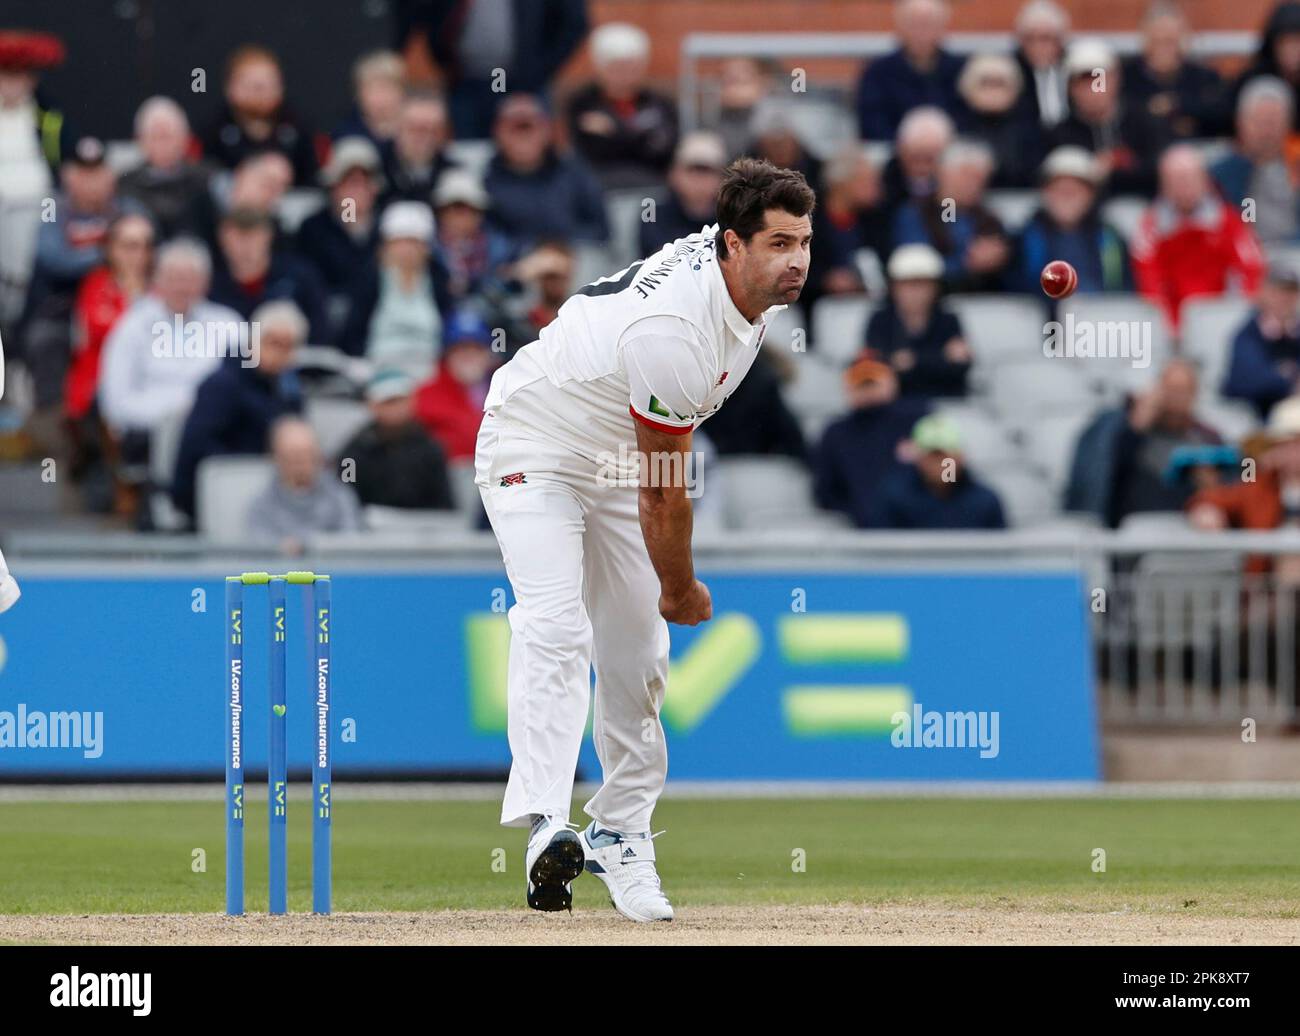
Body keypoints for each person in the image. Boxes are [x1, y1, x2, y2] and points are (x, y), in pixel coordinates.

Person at [474, 157, 814, 921]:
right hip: (534, 441)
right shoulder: (675, 333)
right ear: (732, 244)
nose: (796, 261)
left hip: (611, 451)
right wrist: (680, 588)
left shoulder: (744, 289)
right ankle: (545, 827)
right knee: (555, 624)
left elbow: (649, 471)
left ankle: (623, 832)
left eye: (804, 242)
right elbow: (664, 491)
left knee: (637, 652)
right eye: (778, 244)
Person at [98, 239, 241, 487]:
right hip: (150, 431)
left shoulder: (230, 324)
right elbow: (115, 400)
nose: (182, 287)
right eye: (174, 277)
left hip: (216, 429)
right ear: (157, 280)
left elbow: (247, 386)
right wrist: (174, 412)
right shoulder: (132, 326)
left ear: (205, 283)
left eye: (190, 278)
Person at [170, 300, 307, 518]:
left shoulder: (289, 391)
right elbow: (197, 445)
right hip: (215, 492)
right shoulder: (221, 384)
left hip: (272, 493)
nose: (281, 354)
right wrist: (251, 465)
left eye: (288, 346)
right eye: (273, 343)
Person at [396, 0, 588, 139]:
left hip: (511, 80)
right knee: (470, 150)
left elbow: (574, 22)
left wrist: (539, 70)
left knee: (523, 146)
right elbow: (425, 14)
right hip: (465, 80)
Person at [1065, 360, 1222, 526]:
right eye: (1171, 389)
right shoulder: (1124, 432)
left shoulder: (1209, 439)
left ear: (1194, 395)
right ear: (1157, 389)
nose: (1176, 398)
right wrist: (1136, 425)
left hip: (1192, 533)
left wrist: (1211, 488)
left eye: (1184, 391)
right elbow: (1102, 478)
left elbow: (1229, 493)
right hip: (1133, 536)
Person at [1131, 144, 1265, 330]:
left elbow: (1250, 270)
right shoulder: (1150, 226)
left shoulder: (1229, 221)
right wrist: (1172, 327)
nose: (1184, 186)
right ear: (1163, 185)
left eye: (1189, 178)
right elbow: (1149, 282)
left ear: (1205, 180)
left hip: (1222, 319)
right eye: (1176, 179)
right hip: (1170, 326)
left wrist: (1234, 319)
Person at [814, 357, 929, 528]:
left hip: (919, 524)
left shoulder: (919, 420)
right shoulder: (835, 433)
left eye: (873, 383)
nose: (868, 391)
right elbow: (825, 490)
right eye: (861, 385)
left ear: (892, 383)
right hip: (860, 528)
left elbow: (947, 473)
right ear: (848, 389)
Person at [483, 93, 609, 244]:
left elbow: (601, 231)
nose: (524, 137)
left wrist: (560, 249)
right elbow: (486, 243)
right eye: (516, 128)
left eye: (529, 127)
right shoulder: (484, 185)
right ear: (497, 133)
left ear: (547, 130)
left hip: (577, 258)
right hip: (516, 262)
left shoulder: (576, 176)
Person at [1048, 38, 1168, 196]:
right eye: (1083, 82)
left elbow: (1158, 168)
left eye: (1099, 81)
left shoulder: (1143, 121)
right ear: (1071, 88)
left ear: (1115, 80)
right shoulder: (1060, 134)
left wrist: (1116, 168)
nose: (1093, 90)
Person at [567, 22, 677, 190]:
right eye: (617, 67)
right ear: (600, 68)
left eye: (632, 67)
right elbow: (592, 152)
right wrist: (639, 137)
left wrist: (614, 131)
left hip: (651, 189)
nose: (625, 75)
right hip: (598, 189)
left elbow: (663, 152)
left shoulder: (661, 104)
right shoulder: (583, 104)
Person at [1010, 146, 1131, 295]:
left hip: (1101, 316)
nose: (1066, 198)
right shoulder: (1022, 240)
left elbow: (1125, 289)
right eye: (1059, 190)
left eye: (1075, 191)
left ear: (1091, 196)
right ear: (1045, 193)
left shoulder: (1111, 239)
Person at [342, 201, 445, 375]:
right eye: (400, 242)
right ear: (386, 245)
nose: (407, 250)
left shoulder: (437, 281)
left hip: (428, 371)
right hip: (379, 370)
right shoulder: (370, 280)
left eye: (414, 242)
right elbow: (353, 332)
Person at [893, 141, 1010, 294]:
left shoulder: (988, 218)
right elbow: (916, 261)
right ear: (944, 174)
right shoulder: (916, 213)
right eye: (967, 176)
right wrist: (968, 264)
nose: (974, 185)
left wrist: (1001, 256)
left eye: (980, 178)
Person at [863, 244, 972, 398]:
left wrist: (911, 361)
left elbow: (960, 368)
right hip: (894, 405)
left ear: (936, 288)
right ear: (894, 287)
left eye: (922, 284)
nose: (915, 292)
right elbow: (875, 368)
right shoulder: (881, 320)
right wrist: (940, 358)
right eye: (908, 285)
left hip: (946, 401)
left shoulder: (948, 319)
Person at [341, 369, 455, 510]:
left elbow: (443, 502)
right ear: (372, 405)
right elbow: (345, 498)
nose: (396, 408)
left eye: (401, 400)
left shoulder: (431, 449)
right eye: (388, 402)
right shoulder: (353, 454)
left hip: (422, 528)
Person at [209, 207, 328, 342]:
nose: (246, 246)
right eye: (238, 237)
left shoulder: (298, 276)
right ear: (222, 239)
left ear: (268, 236)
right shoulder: (208, 283)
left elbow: (320, 330)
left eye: (253, 236)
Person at [203, 45, 317, 185]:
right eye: (253, 86)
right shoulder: (213, 130)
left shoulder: (298, 128)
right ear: (230, 87)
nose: (260, 94)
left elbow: (311, 182)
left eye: (268, 85)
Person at [246, 416, 362, 552]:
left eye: (308, 454)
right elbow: (259, 549)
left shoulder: (340, 497)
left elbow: (352, 543)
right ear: (276, 458)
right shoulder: (261, 507)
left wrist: (313, 545)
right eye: (293, 456)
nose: (302, 463)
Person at [872, 414, 1007, 528]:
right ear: (918, 458)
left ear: (960, 456)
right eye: (932, 455)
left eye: (944, 455)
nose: (940, 463)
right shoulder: (894, 497)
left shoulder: (986, 501)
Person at [856, 0, 965, 141]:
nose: (921, 31)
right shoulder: (877, 73)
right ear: (899, 27)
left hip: (951, 155)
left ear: (942, 27)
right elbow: (872, 124)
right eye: (913, 23)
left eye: (928, 23)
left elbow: (968, 122)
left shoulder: (962, 71)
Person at [806, 145, 891, 322]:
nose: (878, 188)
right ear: (842, 183)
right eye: (869, 181)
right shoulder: (806, 221)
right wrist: (826, 280)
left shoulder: (876, 220)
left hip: (871, 309)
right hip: (817, 311)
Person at [1210, 78, 1298, 246]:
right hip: (1240, 257)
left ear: (1288, 124)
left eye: (1272, 122)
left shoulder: (1296, 165)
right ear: (1240, 123)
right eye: (1258, 122)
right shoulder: (1220, 174)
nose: (1266, 131)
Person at [1122, 3, 1229, 140]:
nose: (1163, 50)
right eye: (1157, 42)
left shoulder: (1205, 78)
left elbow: (1222, 115)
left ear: (1184, 42)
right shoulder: (1126, 79)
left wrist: (1177, 105)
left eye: (1170, 42)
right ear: (1145, 41)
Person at [295, 137, 385, 293]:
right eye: (349, 183)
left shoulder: (389, 227)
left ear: (374, 188)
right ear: (334, 187)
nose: (357, 191)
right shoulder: (313, 229)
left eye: (363, 182)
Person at [118, 97, 214, 240]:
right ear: (141, 141)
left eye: (168, 136)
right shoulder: (125, 184)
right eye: (155, 137)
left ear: (185, 139)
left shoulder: (207, 178)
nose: (163, 145)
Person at [414, 308, 498, 461]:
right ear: (446, 355)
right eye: (460, 349)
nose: (468, 356)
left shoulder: (505, 388)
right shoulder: (426, 396)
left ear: (487, 354)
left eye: (476, 348)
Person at [955, 53, 1045, 188]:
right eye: (986, 83)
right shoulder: (956, 129)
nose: (993, 91)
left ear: (1014, 89)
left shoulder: (1031, 132)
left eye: (999, 83)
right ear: (969, 87)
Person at [1223, 264, 1300, 418]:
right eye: (1278, 291)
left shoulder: (1296, 332)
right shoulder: (1248, 334)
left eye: (1290, 292)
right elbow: (1247, 382)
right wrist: (1290, 379)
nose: (1284, 298)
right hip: (1260, 418)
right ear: (1263, 293)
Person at [432, 168, 517, 305]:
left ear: (480, 212)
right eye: (455, 208)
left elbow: (505, 291)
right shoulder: (427, 250)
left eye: (469, 209)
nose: (461, 217)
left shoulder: (501, 249)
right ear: (441, 212)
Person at [638, 132, 727, 257]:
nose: (698, 179)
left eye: (707, 171)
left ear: (721, 179)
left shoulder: (730, 217)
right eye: (691, 170)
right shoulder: (651, 209)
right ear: (674, 173)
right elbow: (655, 256)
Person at [379, 91, 457, 205]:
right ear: (398, 128)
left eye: (432, 130)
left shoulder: (452, 174)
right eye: (415, 129)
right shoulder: (377, 168)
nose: (424, 138)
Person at [881, 106, 953, 218]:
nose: (921, 168)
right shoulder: (883, 184)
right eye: (915, 159)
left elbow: (950, 223)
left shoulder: (950, 189)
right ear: (901, 150)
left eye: (929, 160)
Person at [1011, 1, 1071, 130]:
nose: (1038, 47)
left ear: (1060, 40)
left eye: (1045, 38)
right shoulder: (1011, 72)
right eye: (1030, 39)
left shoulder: (1074, 68)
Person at [332, 50, 406, 145]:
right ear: (358, 94)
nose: (380, 98)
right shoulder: (346, 134)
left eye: (387, 88)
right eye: (372, 90)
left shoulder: (416, 129)